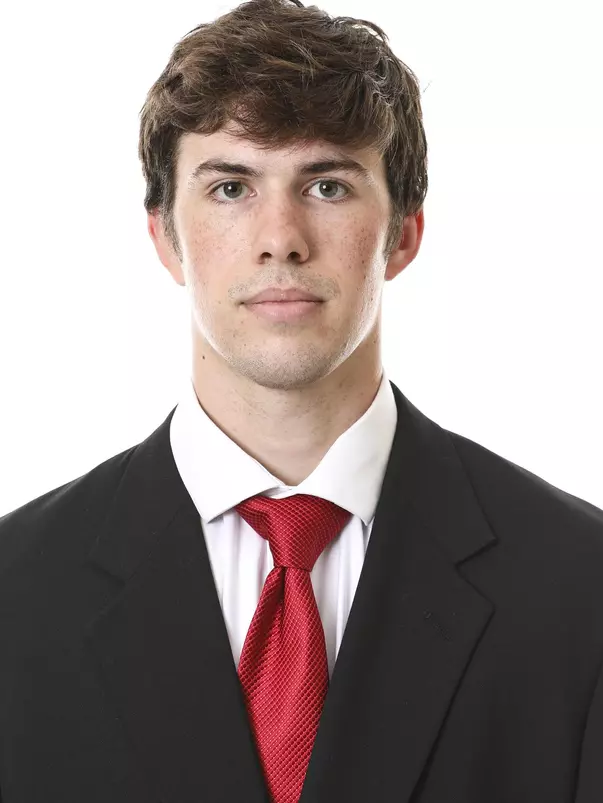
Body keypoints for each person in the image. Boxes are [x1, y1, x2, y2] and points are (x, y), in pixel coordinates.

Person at [1, 0, 602, 800]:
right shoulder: (16, 591)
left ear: (404, 232)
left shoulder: (578, 585)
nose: (279, 236)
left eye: (325, 184)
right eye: (229, 188)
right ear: (163, 238)